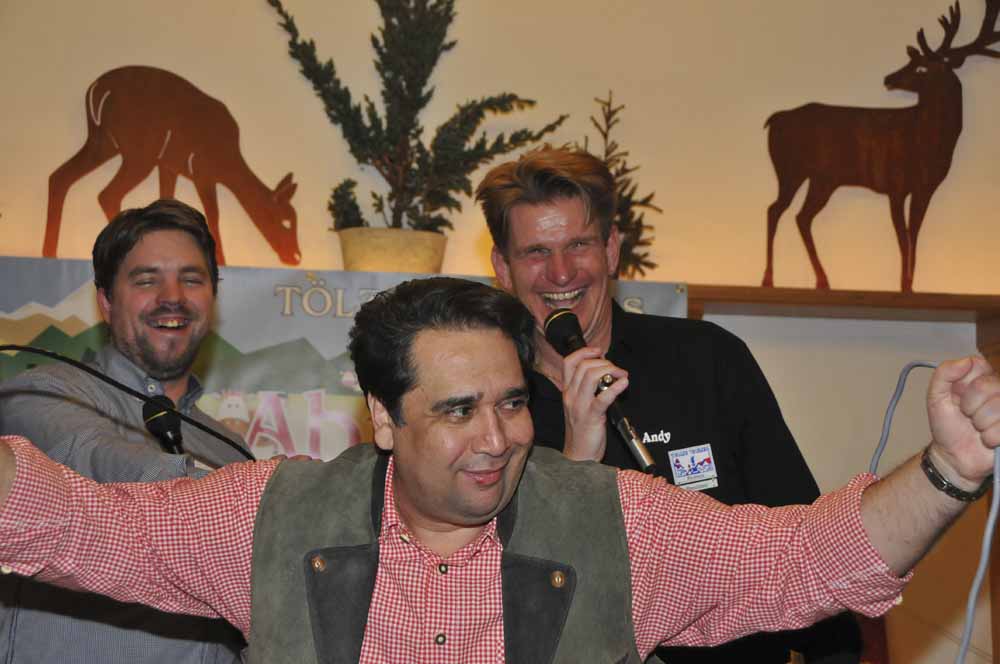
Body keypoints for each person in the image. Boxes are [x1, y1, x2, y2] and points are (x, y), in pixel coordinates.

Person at [0, 277, 997, 664]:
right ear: (383, 419)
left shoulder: (616, 521)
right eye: (456, 409)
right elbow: (75, 523)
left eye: (513, 402)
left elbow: (803, 558)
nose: (498, 438)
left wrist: (949, 470)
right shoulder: (270, 518)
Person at [478, 146, 861, 662]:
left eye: (579, 245)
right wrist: (574, 458)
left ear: (611, 249)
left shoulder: (707, 359)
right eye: (536, 252)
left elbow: (804, 544)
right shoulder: (487, 406)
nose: (562, 273)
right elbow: (494, 602)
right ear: (503, 268)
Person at [0, 199, 250, 663]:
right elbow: (98, 458)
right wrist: (272, 496)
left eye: (192, 279)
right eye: (146, 280)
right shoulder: (42, 394)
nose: (172, 296)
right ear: (106, 301)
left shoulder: (229, 448)